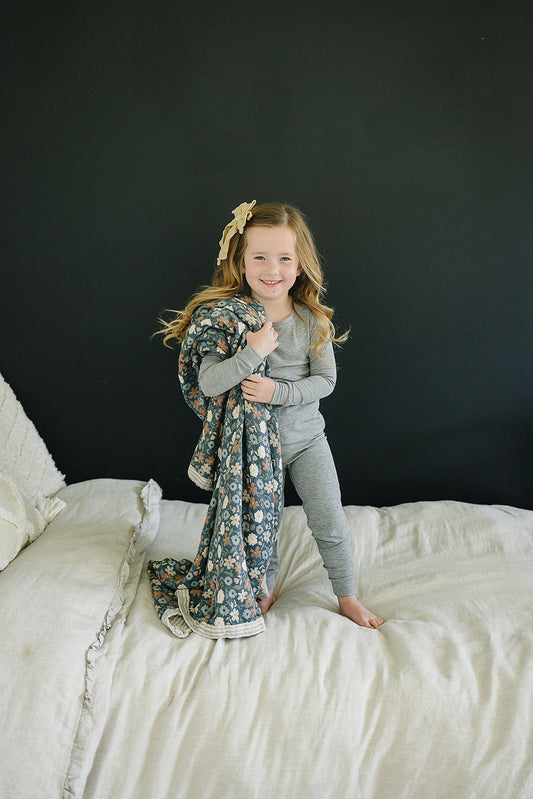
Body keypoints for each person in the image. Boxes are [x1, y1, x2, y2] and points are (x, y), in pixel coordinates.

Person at [159, 200, 384, 630]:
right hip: (253, 448)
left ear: (299, 265)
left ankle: (348, 596)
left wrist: (276, 391)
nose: (272, 269)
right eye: (259, 257)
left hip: (306, 440)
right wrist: (252, 352)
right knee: (261, 525)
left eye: (284, 258)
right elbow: (209, 383)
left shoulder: (311, 320)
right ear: (241, 263)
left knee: (329, 520)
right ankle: (265, 588)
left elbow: (326, 381)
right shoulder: (229, 320)